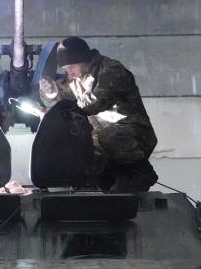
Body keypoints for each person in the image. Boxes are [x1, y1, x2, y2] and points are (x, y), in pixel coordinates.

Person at [38, 37, 158, 192]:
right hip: (102, 136)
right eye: (66, 69)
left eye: (71, 66)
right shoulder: (76, 78)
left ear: (83, 58)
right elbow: (62, 102)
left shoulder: (111, 70)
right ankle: (99, 191)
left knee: (109, 136)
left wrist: (65, 112)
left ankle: (142, 173)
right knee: (81, 154)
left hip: (133, 134)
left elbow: (97, 102)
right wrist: (50, 93)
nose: (70, 72)